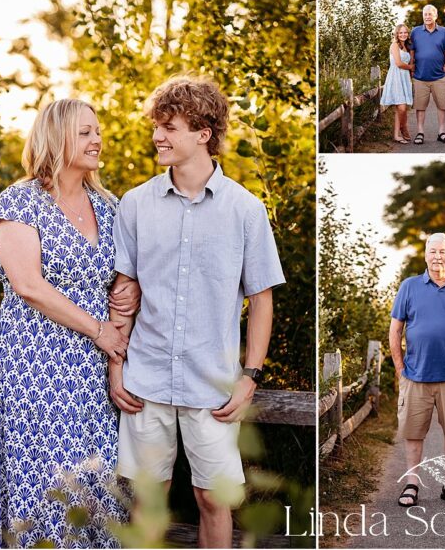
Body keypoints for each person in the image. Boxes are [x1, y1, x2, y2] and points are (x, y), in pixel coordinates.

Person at [108, 77, 285, 547]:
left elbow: (261, 299)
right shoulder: (135, 205)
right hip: (145, 379)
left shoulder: (246, 210)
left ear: (204, 132)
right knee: (149, 497)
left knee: (214, 500)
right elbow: (124, 294)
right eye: (156, 127)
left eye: (169, 127)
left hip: (213, 385)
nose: (157, 137)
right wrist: (115, 368)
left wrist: (250, 375)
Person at [0, 99, 140, 547]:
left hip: (90, 370)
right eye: (84, 132)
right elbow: (29, 285)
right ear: (55, 136)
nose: (97, 140)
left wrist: (130, 292)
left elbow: (125, 277)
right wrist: (101, 330)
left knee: (92, 480)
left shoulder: (109, 205)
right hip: (34, 363)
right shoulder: (20, 201)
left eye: (97, 131)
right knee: (43, 482)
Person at [390, 233, 445, 508]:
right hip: (415, 375)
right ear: (425, 255)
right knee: (413, 432)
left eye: (443, 251)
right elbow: (395, 329)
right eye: (433, 251)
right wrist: (399, 368)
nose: (437, 256)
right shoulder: (409, 286)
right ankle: (411, 483)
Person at [410, 5, 445, 144]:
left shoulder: (444, 32)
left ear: (436, 16)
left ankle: (441, 132)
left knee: (442, 105)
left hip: (440, 76)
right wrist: (411, 67)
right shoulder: (415, 31)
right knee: (420, 106)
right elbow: (412, 51)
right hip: (419, 76)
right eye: (425, 14)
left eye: (430, 14)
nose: (427, 17)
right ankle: (420, 132)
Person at [380, 23, 414, 144]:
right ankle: (403, 128)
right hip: (396, 77)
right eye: (401, 33)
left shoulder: (407, 47)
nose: (403, 34)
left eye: (405, 32)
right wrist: (411, 67)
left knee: (402, 108)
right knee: (401, 107)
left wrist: (411, 74)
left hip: (405, 78)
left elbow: (409, 62)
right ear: (397, 34)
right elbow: (399, 63)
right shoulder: (394, 45)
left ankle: (396, 135)